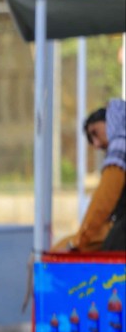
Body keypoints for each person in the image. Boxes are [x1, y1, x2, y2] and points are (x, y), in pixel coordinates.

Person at [54, 99, 126, 252]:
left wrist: (77, 242)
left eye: (95, 133)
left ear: (111, 120)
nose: (97, 144)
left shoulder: (120, 144)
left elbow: (103, 202)